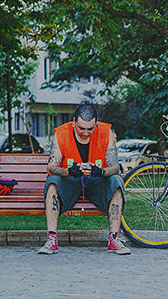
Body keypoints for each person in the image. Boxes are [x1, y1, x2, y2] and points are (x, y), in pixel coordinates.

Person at [38, 103, 130, 255]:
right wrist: (70, 170)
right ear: (74, 122)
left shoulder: (107, 132)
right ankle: (51, 239)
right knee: (52, 181)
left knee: (117, 181)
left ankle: (114, 238)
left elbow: (115, 168)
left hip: (96, 182)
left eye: (90, 129)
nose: (86, 133)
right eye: (81, 128)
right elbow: (51, 167)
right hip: (71, 181)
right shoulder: (61, 133)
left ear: (96, 124)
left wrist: (99, 171)